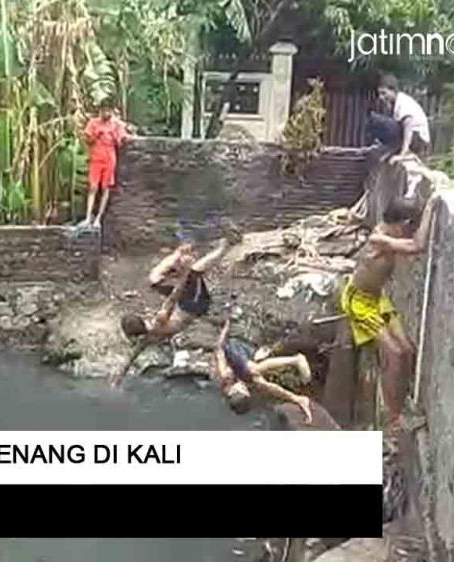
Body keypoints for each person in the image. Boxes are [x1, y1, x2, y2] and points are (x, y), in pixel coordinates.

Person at [339, 194, 440, 430]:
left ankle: (401, 398)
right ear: (403, 224)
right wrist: (430, 210)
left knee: (407, 350)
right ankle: (393, 417)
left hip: (377, 298)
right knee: (394, 353)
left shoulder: (388, 232)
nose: (411, 231)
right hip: (359, 302)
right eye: (410, 226)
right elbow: (417, 246)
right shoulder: (378, 238)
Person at [111, 238, 229, 386]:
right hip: (197, 305)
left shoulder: (146, 338)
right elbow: (175, 295)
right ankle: (221, 250)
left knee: (155, 280)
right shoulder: (159, 321)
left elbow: (131, 357)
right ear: (140, 319)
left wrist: (118, 378)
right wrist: (185, 272)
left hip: (186, 306)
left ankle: (179, 254)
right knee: (194, 272)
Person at [213, 309, 315, 423]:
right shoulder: (241, 386)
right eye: (246, 390)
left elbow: (219, 349)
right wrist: (295, 399)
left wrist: (226, 327)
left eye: (243, 389)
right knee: (260, 383)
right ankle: (298, 398)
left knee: (253, 371)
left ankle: (296, 359)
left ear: (233, 391)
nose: (244, 388)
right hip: (248, 357)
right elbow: (270, 388)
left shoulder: (225, 375)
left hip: (233, 348)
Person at [82, 100, 128, 229]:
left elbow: (121, 142)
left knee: (106, 188)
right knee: (93, 187)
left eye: (108, 110)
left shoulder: (116, 125)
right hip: (96, 157)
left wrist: (114, 135)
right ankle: (87, 217)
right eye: (104, 110)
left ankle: (98, 218)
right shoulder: (93, 123)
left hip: (109, 158)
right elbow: (87, 140)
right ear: (100, 111)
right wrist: (97, 135)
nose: (106, 113)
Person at [376, 74, 432, 160]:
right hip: (412, 140)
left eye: (384, 93)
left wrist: (403, 154)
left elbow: (408, 128)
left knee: (387, 124)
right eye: (379, 94)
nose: (381, 97)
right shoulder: (394, 104)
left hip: (419, 142)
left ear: (393, 90)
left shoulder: (403, 103)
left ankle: (408, 153)